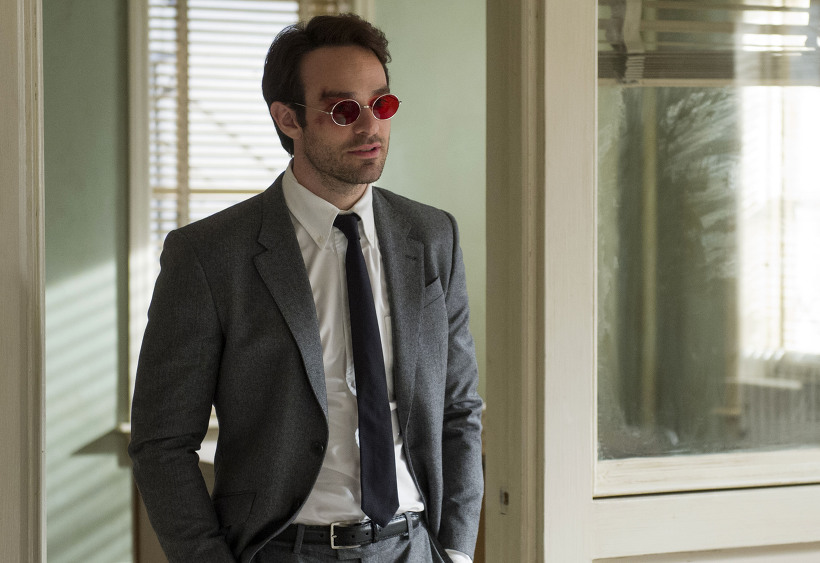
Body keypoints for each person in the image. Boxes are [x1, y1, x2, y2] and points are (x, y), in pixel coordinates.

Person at [128, 13, 483, 563]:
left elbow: (458, 409)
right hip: (286, 550)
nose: (370, 128)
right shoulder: (209, 255)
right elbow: (162, 442)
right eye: (344, 110)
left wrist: (456, 551)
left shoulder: (433, 236)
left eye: (382, 104)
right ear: (288, 118)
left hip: (414, 547)